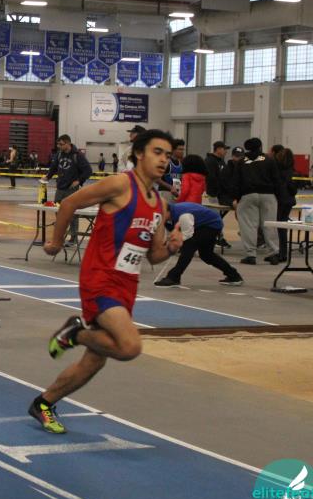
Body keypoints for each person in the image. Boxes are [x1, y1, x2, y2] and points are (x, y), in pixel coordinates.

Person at [28, 129, 183, 434]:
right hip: (100, 278)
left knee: (95, 361)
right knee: (129, 346)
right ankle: (75, 334)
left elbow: (154, 256)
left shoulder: (159, 204)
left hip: (127, 285)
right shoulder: (120, 184)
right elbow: (69, 203)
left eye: (168, 154)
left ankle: (43, 403)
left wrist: (172, 248)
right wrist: (56, 242)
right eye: (157, 152)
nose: (164, 159)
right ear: (139, 154)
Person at [154, 202, 243, 287]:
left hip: (211, 224)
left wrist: (175, 242)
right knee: (207, 255)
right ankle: (234, 276)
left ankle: (173, 277)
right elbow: (172, 231)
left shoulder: (183, 216)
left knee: (188, 248)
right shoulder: (169, 217)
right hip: (201, 224)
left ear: (167, 211)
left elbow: (187, 236)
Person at [230, 138, 281, 265]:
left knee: (249, 226)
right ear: (260, 147)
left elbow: (235, 182)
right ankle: (274, 253)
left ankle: (250, 255)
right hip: (268, 195)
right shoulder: (269, 160)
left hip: (248, 195)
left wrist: (237, 197)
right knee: (269, 224)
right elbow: (277, 179)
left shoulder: (241, 162)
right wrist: (277, 196)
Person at [44, 134, 93, 245]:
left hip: (72, 190)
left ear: (68, 143)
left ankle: (73, 238)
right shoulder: (59, 154)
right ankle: (59, 238)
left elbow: (88, 171)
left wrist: (79, 181)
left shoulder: (77, 155)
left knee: (72, 215)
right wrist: (47, 177)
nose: (59, 146)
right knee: (58, 213)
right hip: (60, 188)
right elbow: (53, 167)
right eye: (58, 144)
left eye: (61, 144)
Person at [274, 148, 299, 262]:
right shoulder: (293, 172)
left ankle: (282, 253)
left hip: (280, 201)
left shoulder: (278, 172)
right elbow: (293, 190)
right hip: (289, 201)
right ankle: (282, 252)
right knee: (282, 227)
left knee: (280, 228)